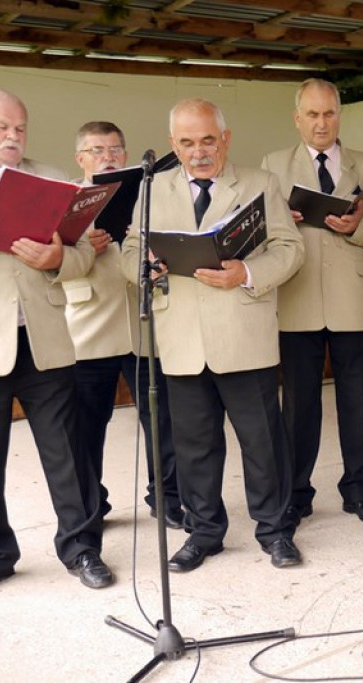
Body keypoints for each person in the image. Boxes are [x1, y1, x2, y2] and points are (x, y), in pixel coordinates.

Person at [0, 89, 114, 599]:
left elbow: (84, 254)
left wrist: (57, 259)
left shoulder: (55, 179)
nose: (13, 136)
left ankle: (82, 549)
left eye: (20, 128)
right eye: (1, 127)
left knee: (69, 454)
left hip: (43, 338)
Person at [121, 98, 305, 571]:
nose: (199, 151)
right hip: (182, 340)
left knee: (262, 443)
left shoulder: (260, 184)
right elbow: (130, 249)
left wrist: (246, 271)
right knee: (194, 447)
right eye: (186, 142)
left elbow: (290, 248)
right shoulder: (152, 188)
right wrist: (141, 266)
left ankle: (275, 531)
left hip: (243, 334)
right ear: (172, 145)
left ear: (225, 138)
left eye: (208, 140)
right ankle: (204, 532)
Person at [260, 79, 363, 526]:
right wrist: (281, 220)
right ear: (297, 118)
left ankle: (359, 490)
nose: (321, 123)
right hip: (296, 298)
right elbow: (256, 235)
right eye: (312, 115)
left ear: (340, 115)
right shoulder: (272, 167)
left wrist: (359, 228)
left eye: (329, 113)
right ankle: (297, 492)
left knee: (358, 399)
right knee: (298, 403)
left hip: (351, 297)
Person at [64, 121, 184, 530]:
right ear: (80, 158)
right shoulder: (66, 200)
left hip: (141, 320)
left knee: (160, 418)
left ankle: (167, 497)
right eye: (97, 150)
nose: (108, 157)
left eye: (116, 149)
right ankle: (91, 505)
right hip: (88, 325)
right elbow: (44, 266)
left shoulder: (147, 198)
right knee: (87, 425)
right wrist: (78, 246)